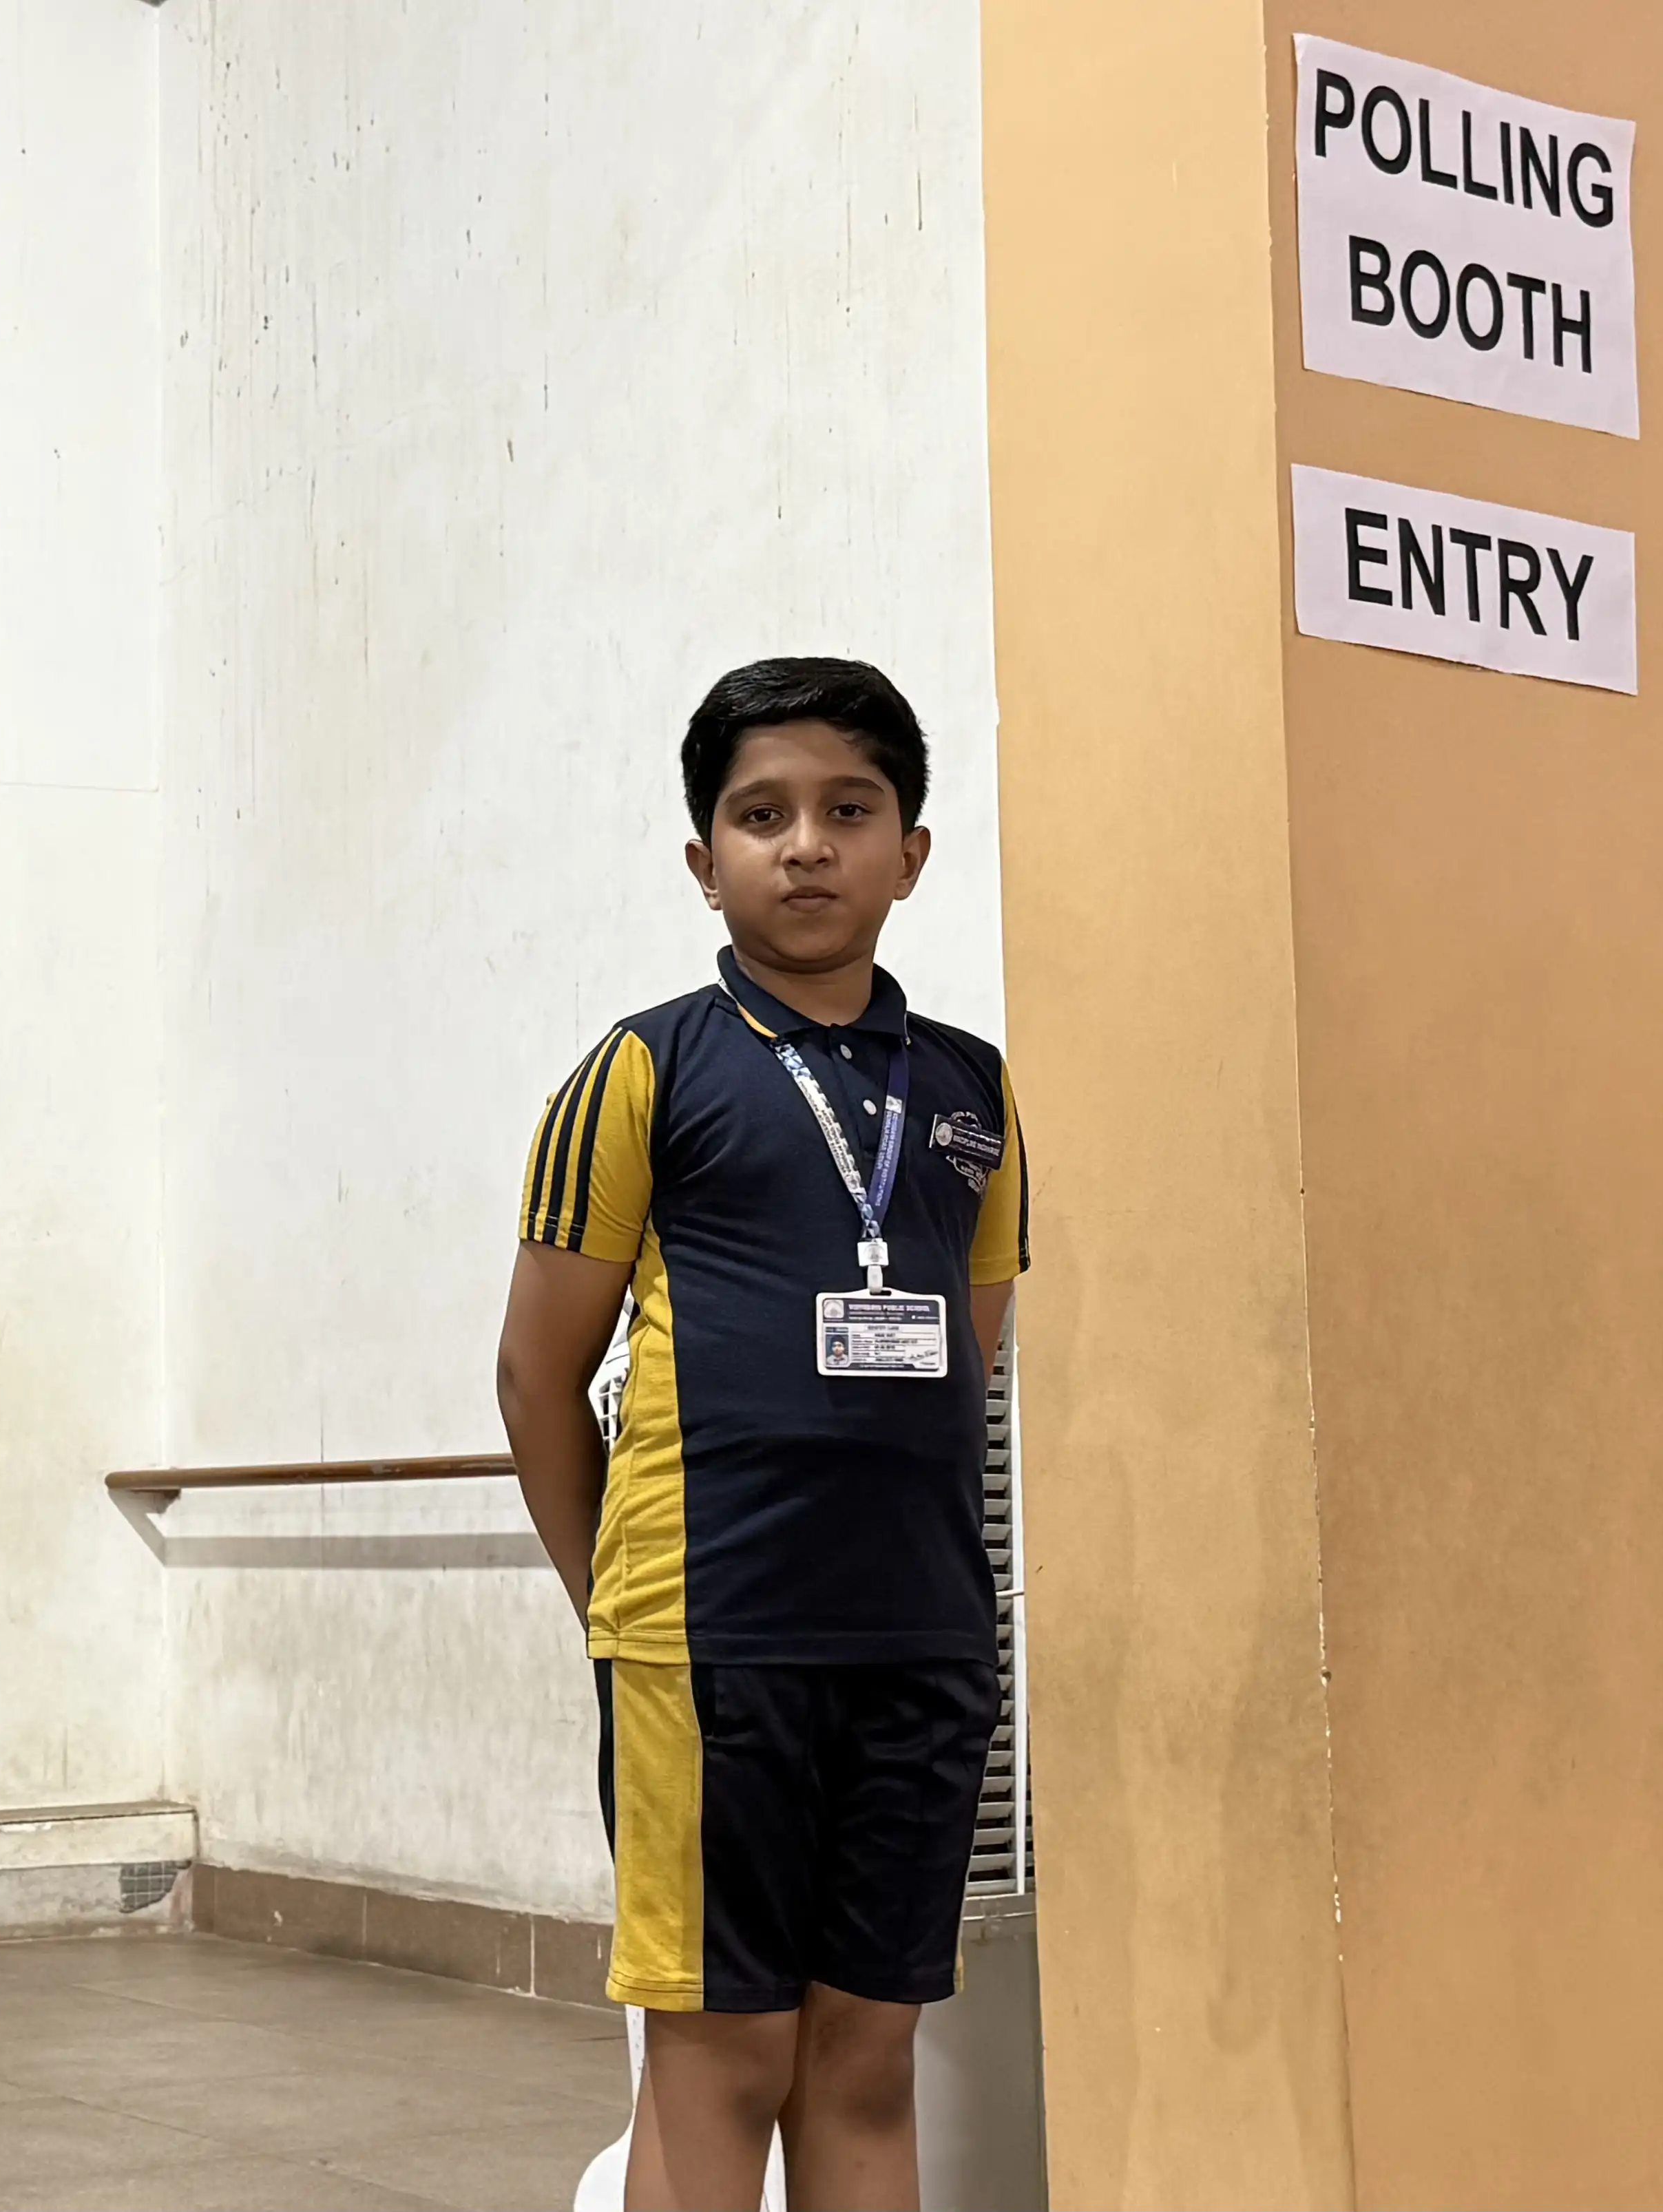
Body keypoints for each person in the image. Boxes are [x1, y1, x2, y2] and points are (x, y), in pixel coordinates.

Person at [495, 659, 1026, 2212]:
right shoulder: (644, 1070)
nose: (806, 845)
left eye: (849, 811)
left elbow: (970, 1359)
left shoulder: (974, 1094)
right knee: (724, 2060)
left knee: (867, 2062)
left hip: (921, 1643)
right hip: (712, 1639)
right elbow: (535, 1377)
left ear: (910, 853)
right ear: (702, 857)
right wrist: (622, 1601)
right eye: (762, 814)